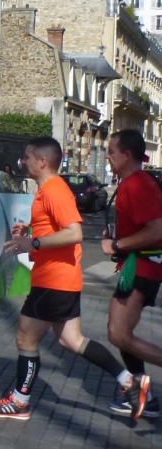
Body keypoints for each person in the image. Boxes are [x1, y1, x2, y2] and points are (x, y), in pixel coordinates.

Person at [0, 137, 150, 421]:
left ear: (42, 162)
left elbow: (74, 233)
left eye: (27, 157)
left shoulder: (54, 190)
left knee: (25, 336)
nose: (22, 161)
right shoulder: (47, 190)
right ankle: (129, 381)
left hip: (53, 281)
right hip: (61, 280)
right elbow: (54, 229)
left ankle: (20, 401)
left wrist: (33, 243)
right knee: (72, 340)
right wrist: (31, 231)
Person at [102, 129, 162, 418]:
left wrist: (117, 245)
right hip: (138, 266)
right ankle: (143, 396)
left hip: (141, 268)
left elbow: (157, 229)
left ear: (127, 155)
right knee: (122, 332)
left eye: (112, 151)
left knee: (118, 333)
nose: (108, 156)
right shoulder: (136, 182)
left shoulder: (136, 184)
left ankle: (142, 391)